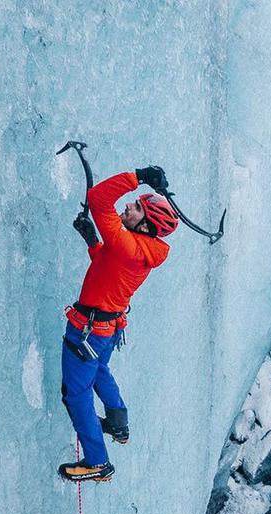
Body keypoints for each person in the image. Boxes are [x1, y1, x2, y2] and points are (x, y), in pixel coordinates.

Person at [58, 165, 176, 482]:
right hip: (106, 329)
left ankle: (98, 462)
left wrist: (138, 175)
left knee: (75, 394)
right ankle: (118, 422)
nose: (129, 205)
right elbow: (109, 268)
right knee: (98, 371)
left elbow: (98, 199)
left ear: (148, 226)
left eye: (137, 207)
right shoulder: (139, 249)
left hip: (88, 331)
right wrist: (92, 240)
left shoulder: (129, 245)